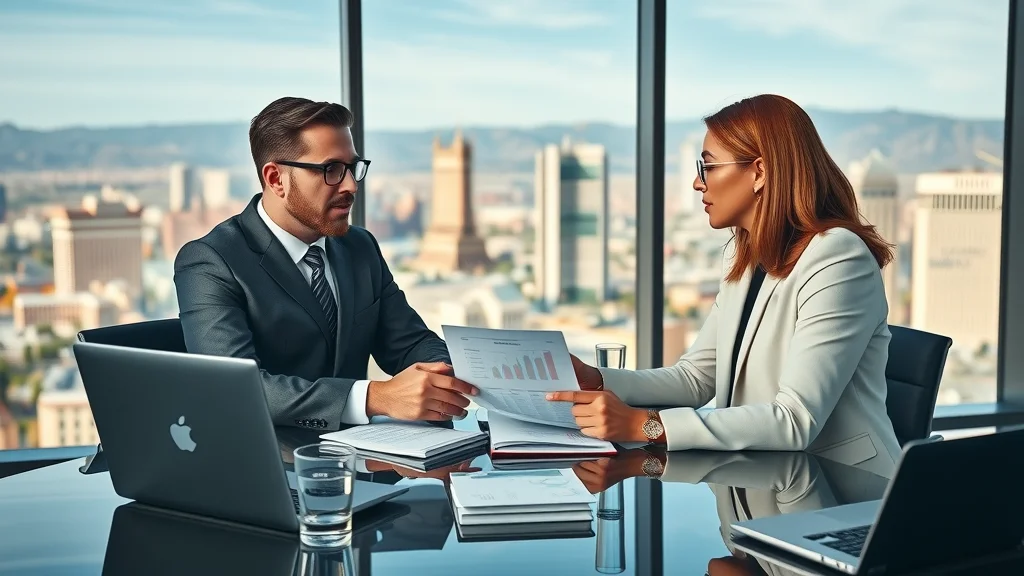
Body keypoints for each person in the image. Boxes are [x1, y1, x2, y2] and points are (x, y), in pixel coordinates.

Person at [548, 94, 901, 477]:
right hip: (761, 483)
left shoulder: (837, 258)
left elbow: (795, 420)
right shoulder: (746, 257)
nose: (697, 182)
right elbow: (695, 379)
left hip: (842, 494)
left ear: (760, 172)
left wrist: (644, 425)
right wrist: (597, 379)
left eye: (709, 166)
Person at [174, 97, 477, 431]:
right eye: (331, 170)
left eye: (353, 168)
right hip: (268, 464)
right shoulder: (210, 263)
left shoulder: (359, 246)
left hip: (366, 457)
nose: (351, 185)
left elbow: (409, 343)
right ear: (276, 179)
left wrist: (475, 374)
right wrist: (374, 397)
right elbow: (235, 388)